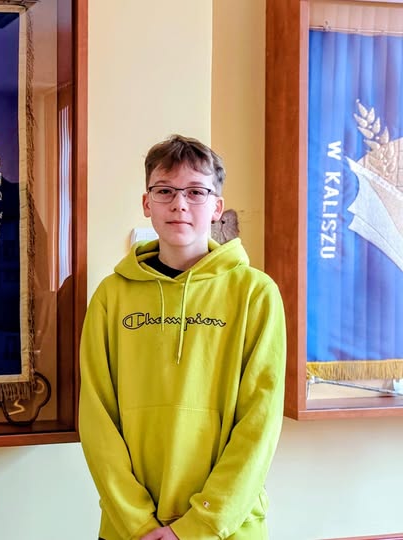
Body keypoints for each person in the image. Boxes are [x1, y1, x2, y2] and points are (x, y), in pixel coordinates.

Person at [79, 134, 286, 540]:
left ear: (216, 207)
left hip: (227, 528)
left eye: (195, 191)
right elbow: (96, 416)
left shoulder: (255, 293)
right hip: (130, 529)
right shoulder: (111, 296)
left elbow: (259, 423)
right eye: (165, 191)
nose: (179, 204)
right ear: (147, 203)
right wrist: (138, 522)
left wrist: (199, 525)